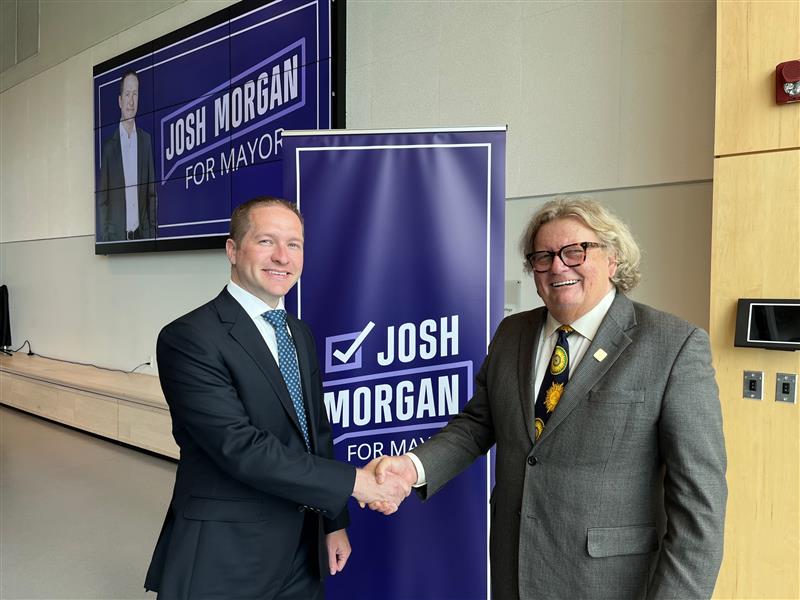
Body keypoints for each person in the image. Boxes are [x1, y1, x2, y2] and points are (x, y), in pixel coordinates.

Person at [372, 196, 727, 600]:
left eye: (575, 251)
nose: (558, 266)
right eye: (543, 257)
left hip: (609, 584)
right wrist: (412, 468)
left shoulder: (673, 345)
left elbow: (700, 502)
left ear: (613, 259)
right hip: (515, 572)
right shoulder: (512, 334)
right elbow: (477, 426)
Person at [145, 197, 409, 599]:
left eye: (295, 244)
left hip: (303, 549)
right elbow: (240, 447)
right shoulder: (189, 338)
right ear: (233, 250)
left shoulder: (298, 333)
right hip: (227, 552)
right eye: (266, 241)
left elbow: (316, 433)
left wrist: (333, 522)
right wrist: (358, 484)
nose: (283, 257)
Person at [97, 70, 157, 242]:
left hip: (143, 237)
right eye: (127, 94)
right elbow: (103, 200)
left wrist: (152, 235)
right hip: (117, 240)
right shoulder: (109, 148)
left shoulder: (146, 141)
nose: (131, 101)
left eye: (135, 94)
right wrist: (107, 238)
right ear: (120, 100)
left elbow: (151, 194)